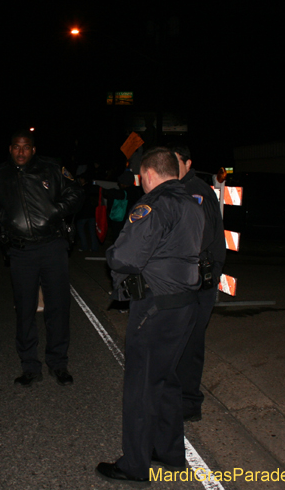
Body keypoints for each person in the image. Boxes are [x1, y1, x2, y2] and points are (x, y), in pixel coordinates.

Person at [96, 147, 205, 485]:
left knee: (142, 385)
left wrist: (111, 252)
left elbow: (126, 257)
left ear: (147, 174)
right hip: (185, 304)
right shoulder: (193, 203)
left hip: (156, 307)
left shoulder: (153, 205)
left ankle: (135, 464)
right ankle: (168, 452)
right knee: (167, 380)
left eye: (140, 176)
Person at [0, 131, 83, 387]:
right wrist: (5, 219)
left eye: (26, 147)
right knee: (24, 309)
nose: (21, 152)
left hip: (52, 247)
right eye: (16, 147)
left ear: (34, 150)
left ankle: (58, 363)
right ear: (10, 148)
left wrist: (55, 211)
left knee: (58, 308)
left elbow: (76, 193)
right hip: (21, 251)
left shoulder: (53, 169)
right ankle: (29, 366)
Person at [172, 145, 226, 422]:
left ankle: (190, 404)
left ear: (188, 163)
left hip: (198, 281)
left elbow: (198, 239)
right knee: (180, 341)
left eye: (175, 161)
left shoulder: (195, 191)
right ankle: (180, 399)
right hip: (189, 279)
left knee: (191, 344)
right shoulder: (177, 188)